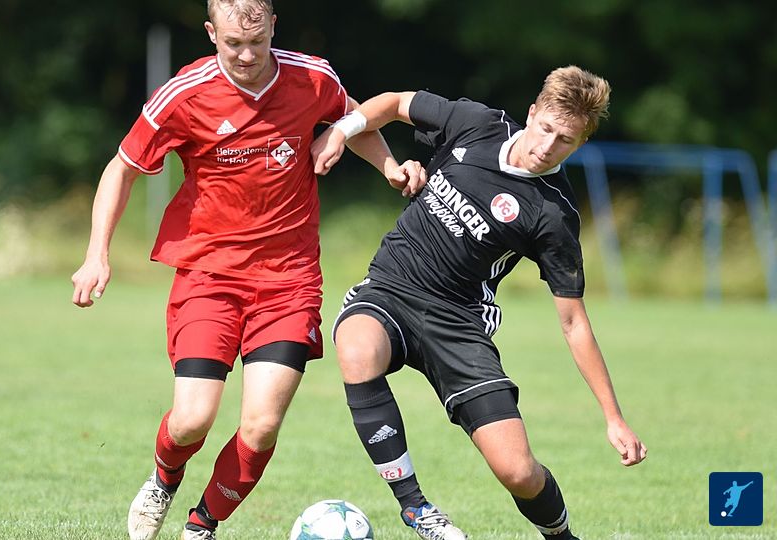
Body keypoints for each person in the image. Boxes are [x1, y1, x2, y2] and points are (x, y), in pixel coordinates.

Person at [70, 1, 425, 539]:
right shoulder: (185, 93)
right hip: (208, 276)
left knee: (260, 427)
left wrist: (390, 167)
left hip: (289, 281)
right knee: (192, 419)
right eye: (233, 43)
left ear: (273, 28)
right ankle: (164, 478)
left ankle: (201, 525)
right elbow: (121, 169)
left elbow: (354, 119)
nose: (246, 55)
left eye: (257, 43)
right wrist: (97, 253)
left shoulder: (312, 77)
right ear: (211, 33)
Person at [310, 66, 648, 540]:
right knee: (356, 348)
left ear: (581, 143)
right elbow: (394, 102)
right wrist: (341, 132)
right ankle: (416, 508)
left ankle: (562, 537)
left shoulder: (553, 213)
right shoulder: (478, 124)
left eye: (565, 140)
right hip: (392, 287)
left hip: (459, 323)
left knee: (519, 473)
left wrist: (613, 418)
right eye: (545, 128)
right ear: (532, 112)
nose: (547, 146)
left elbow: (573, 322)